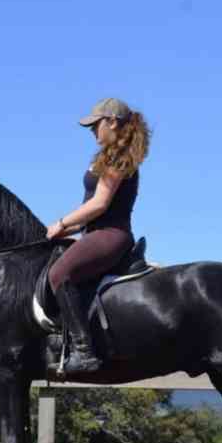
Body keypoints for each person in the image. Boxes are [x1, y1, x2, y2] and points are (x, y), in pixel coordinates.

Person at [46, 97, 151, 373]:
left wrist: (61, 222)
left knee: (59, 274)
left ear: (112, 122)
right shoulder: (105, 156)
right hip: (93, 231)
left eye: (96, 125)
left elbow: (99, 204)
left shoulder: (120, 156)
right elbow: (89, 208)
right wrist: (67, 229)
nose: (92, 131)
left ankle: (85, 353)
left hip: (111, 234)